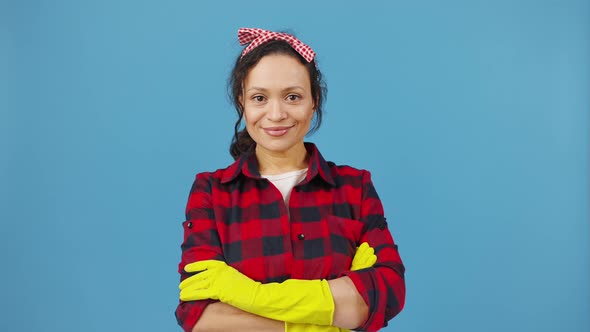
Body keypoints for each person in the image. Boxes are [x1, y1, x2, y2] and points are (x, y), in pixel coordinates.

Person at [175, 27, 406, 332]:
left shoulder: (355, 188)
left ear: (314, 100)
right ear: (242, 103)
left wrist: (246, 294)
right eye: (259, 98)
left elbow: (385, 293)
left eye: (292, 96)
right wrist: (328, 315)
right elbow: (200, 318)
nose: (276, 113)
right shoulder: (211, 192)